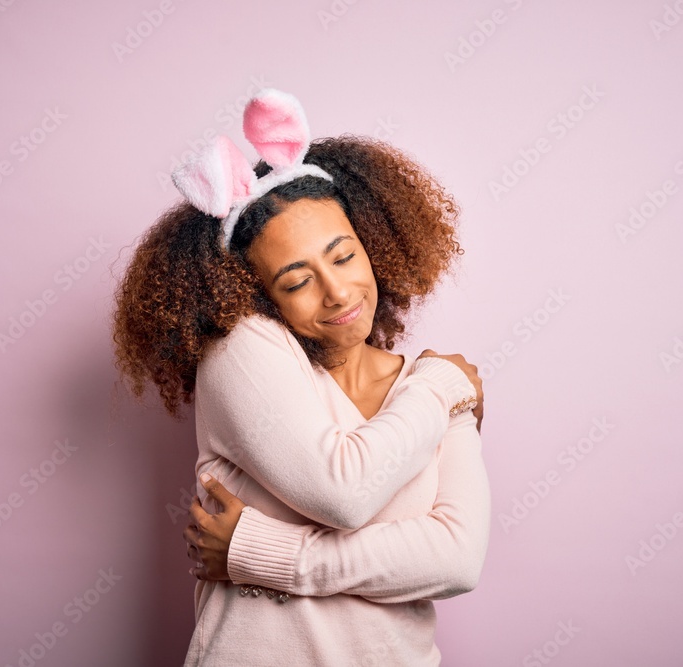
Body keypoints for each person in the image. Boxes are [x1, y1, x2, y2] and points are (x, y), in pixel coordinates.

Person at [111, 89, 490, 665]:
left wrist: (260, 551)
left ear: (374, 245)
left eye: (344, 256)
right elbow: (344, 493)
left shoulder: (427, 386)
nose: (337, 292)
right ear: (254, 296)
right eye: (296, 281)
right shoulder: (240, 349)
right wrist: (440, 387)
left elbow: (456, 560)